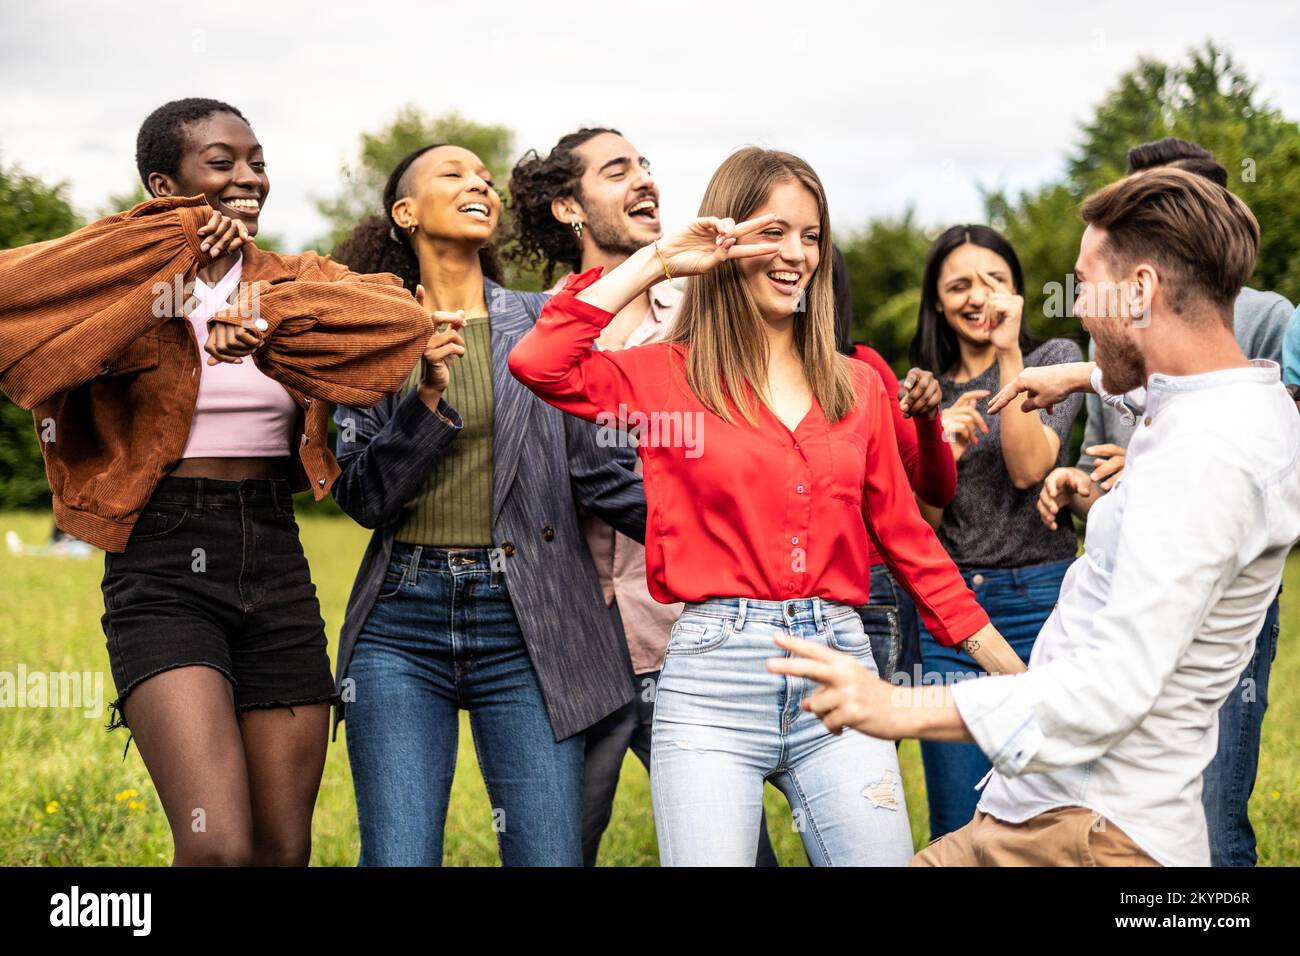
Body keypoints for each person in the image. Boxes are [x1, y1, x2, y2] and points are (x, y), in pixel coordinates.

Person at [509, 146, 1023, 866]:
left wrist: (1021, 682)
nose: (796, 254)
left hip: (839, 665)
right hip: (712, 678)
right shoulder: (666, 379)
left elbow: (912, 546)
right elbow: (540, 360)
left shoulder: (857, 387)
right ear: (726, 238)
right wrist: (660, 259)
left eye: (811, 237)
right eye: (773, 232)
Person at [772, 167, 1300, 867]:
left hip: (1088, 832)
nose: (1077, 309)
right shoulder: (1235, 409)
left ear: (1139, 290)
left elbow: (1111, 687)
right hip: (1050, 810)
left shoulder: (1205, 456)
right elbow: (1186, 391)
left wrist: (894, 706)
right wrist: (1084, 375)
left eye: (1085, 284)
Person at [0, 98, 431, 865]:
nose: (249, 179)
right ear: (166, 186)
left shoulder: (295, 278)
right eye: (223, 163)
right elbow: (12, 297)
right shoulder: (114, 280)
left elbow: (399, 319)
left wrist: (264, 311)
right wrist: (171, 241)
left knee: (279, 849)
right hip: (161, 561)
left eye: (257, 161)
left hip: (274, 554)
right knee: (217, 849)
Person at [329, 143, 647, 867]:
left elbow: (602, 476)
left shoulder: (547, 323)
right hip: (399, 627)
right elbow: (364, 496)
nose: (479, 182)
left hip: (529, 625)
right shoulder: (372, 333)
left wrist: (718, 539)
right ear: (404, 213)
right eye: (454, 173)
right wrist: (427, 399)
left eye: (484, 177)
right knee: (400, 856)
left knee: (547, 855)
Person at [509, 127, 783, 867]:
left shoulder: (707, 308)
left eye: (647, 165)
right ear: (568, 208)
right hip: (570, 641)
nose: (646, 180)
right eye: (617, 169)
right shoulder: (539, 328)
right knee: (556, 848)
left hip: (693, 634)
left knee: (736, 849)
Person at [1040, 137, 1293, 868]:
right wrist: (1091, 483)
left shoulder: (1269, 318)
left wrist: (911, 704)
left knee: (1214, 805)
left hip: (1218, 592)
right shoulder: (1116, 342)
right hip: (1130, 581)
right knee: (1126, 802)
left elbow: (1268, 448)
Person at [906, 224, 1084, 839]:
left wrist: (1011, 357)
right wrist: (938, 446)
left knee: (1055, 809)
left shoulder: (1055, 362)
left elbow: (1027, 469)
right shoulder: (923, 388)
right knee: (958, 821)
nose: (978, 297)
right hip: (952, 617)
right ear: (937, 301)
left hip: (1045, 602)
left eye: (993, 281)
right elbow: (918, 524)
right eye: (959, 285)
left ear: (1017, 289)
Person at [831, 245, 955, 685]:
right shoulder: (734, 371)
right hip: (760, 597)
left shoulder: (863, 368)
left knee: (867, 744)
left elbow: (934, 491)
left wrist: (928, 419)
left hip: (868, 589)